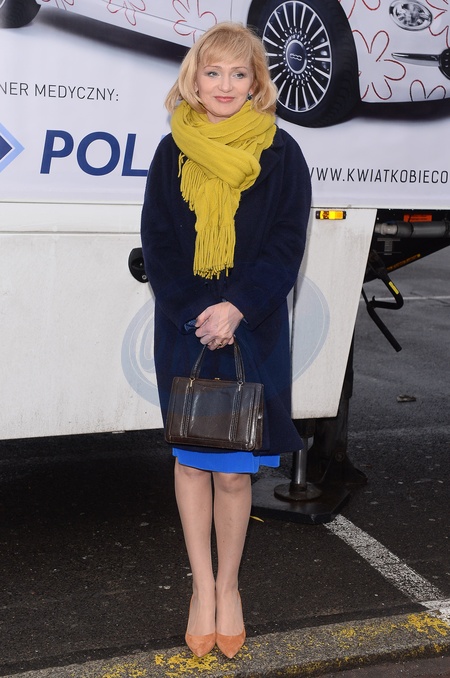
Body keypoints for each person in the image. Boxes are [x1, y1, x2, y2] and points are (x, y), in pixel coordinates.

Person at [140, 22, 311, 659]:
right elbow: (158, 243)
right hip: (187, 328)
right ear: (195, 77)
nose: (225, 85)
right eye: (213, 72)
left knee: (236, 475)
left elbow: (286, 244)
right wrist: (198, 313)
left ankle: (230, 586)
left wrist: (236, 308)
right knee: (190, 462)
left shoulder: (282, 152)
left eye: (240, 74)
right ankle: (200, 588)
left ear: (256, 83)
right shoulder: (172, 151)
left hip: (251, 329)